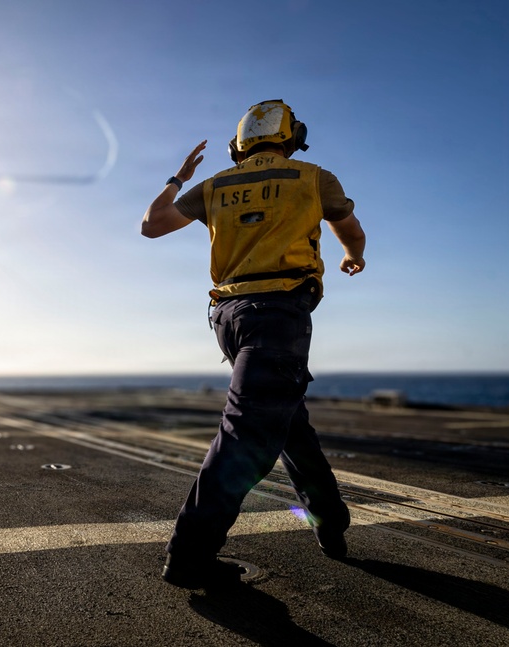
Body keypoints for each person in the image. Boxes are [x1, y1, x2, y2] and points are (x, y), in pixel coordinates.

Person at [141, 100, 367, 590]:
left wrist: (177, 178)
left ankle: (330, 521)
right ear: (293, 136)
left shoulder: (214, 185)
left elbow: (152, 224)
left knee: (288, 425)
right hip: (278, 315)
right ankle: (189, 557)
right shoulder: (312, 176)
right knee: (249, 436)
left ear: (237, 146)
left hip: (229, 316)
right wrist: (354, 257)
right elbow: (348, 227)